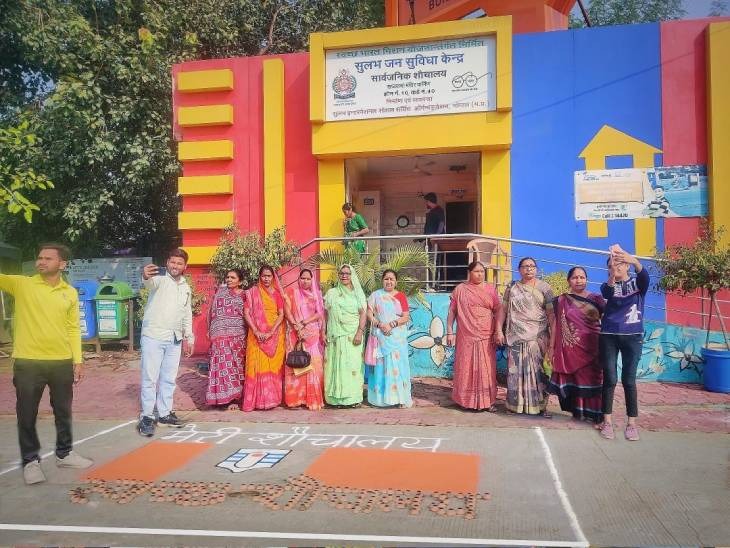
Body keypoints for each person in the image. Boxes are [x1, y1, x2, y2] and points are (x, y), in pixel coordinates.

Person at [0, 243, 93, 484]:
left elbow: (73, 328)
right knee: (27, 414)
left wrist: (78, 360)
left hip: (61, 361)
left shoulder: (69, 292)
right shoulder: (22, 284)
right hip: (28, 362)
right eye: (39, 258)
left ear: (62, 264)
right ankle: (30, 462)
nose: (41, 262)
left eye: (48, 258)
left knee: (63, 412)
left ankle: (64, 453)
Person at [138, 248, 194, 437]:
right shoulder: (160, 280)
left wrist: (190, 336)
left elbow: (187, 314)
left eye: (179, 263)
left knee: (169, 379)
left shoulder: (185, 287)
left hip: (175, 338)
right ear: (167, 262)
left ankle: (164, 414)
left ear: (185, 266)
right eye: (172, 262)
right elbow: (148, 283)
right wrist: (145, 275)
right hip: (153, 335)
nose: (175, 266)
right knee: (149, 378)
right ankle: (146, 416)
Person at [597, 247, 649, 441]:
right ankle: (607, 421)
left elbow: (644, 276)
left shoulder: (638, 284)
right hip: (609, 336)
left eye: (618, 264)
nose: (615, 268)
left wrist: (634, 260)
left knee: (629, 380)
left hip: (633, 336)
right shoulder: (607, 285)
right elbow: (607, 292)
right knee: (610, 378)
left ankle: (631, 424)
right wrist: (612, 274)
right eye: (611, 266)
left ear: (627, 265)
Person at [546, 267, 605, 423]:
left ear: (586, 279)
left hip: (594, 347)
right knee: (576, 380)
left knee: (594, 379)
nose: (579, 280)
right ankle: (578, 412)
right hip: (570, 350)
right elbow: (556, 326)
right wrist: (551, 348)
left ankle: (594, 414)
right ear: (569, 281)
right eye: (575, 277)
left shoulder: (596, 298)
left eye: (582, 277)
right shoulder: (561, 300)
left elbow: (606, 321)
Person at [499, 257, 555, 416]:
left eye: (532, 266)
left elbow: (551, 316)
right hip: (515, 337)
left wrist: (553, 341)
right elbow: (503, 310)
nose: (529, 269)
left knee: (538, 373)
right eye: (525, 266)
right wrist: (498, 330)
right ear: (519, 270)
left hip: (537, 338)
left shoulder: (545, 288)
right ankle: (514, 405)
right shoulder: (512, 288)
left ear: (536, 269)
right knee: (515, 373)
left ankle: (540, 406)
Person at [446, 261, 504, 411]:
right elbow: (452, 311)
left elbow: (498, 310)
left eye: (482, 271)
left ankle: (487, 401)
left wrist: (498, 330)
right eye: (476, 271)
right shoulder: (460, 289)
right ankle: (464, 401)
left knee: (486, 368)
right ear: (469, 273)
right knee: (465, 366)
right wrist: (449, 331)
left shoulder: (490, 290)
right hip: (466, 335)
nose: (480, 274)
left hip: (486, 334)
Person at [365, 270, 412, 408]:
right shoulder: (375, 295)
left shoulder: (401, 296)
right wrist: (380, 324)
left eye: (391, 279)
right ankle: (379, 399)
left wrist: (391, 324)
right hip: (380, 336)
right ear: (382, 280)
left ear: (396, 281)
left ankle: (400, 398)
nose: (389, 282)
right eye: (386, 279)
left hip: (397, 337)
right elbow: (369, 313)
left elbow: (405, 317)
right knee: (381, 368)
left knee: (399, 367)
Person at [242, 265, 285, 411]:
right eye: (264, 276)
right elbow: (246, 313)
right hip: (256, 335)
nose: (266, 279)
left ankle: (272, 399)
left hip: (274, 335)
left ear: (273, 277)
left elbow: (281, 314)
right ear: (259, 277)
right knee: (257, 365)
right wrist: (255, 330)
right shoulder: (253, 293)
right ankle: (257, 401)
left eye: (269, 276)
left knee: (272, 366)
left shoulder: (277, 294)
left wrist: (272, 331)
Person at [324, 264, 367, 407]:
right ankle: (334, 400)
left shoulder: (357, 294)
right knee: (334, 365)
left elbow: (363, 313)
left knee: (352, 367)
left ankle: (352, 399)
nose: (344, 276)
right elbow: (326, 315)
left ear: (352, 275)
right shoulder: (332, 293)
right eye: (342, 273)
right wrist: (324, 332)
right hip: (335, 336)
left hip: (353, 336)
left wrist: (360, 332)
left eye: (347, 273)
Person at [284, 269, 326, 410]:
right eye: (302, 278)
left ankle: (312, 398)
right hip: (296, 334)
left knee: (313, 366)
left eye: (308, 279)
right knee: (297, 363)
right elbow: (287, 311)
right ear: (299, 279)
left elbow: (319, 314)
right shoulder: (292, 293)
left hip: (312, 335)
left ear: (312, 280)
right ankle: (296, 399)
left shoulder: (317, 295)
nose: (305, 281)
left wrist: (304, 323)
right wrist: (297, 327)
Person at [206, 269, 247, 410]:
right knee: (220, 367)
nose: (229, 279)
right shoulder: (220, 293)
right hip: (219, 337)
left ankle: (235, 398)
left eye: (233, 277)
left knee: (236, 368)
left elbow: (248, 315)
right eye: (228, 277)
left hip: (238, 338)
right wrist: (209, 330)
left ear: (240, 281)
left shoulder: (244, 295)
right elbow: (211, 312)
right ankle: (220, 399)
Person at [423, 192, 446, 288]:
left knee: (436, 263)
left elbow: (441, 225)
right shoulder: (432, 212)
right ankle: (430, 284)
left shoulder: (438, 211)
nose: (426, 204)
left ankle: (436, 285)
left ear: (429, 201)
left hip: (436, 242)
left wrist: (436, 237)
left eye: (426, 202)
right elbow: (429, 227)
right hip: (430, 241)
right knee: (430, 263)